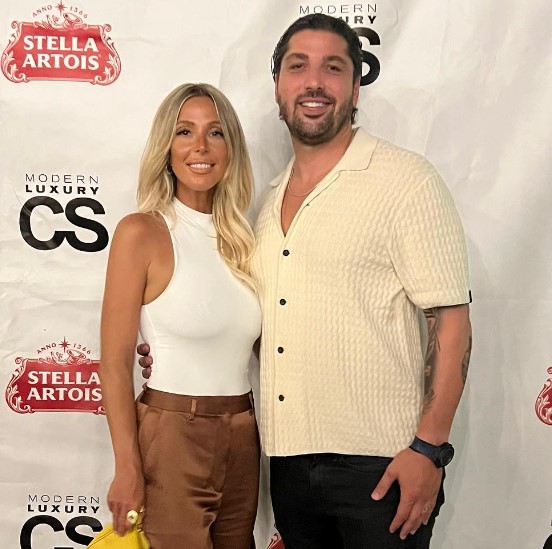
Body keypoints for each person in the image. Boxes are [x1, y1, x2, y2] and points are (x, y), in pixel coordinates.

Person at [140, 14, 472, 549]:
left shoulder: (406, 179)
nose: (314, 82)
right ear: (277, 85)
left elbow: (451, 320)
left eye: (333, 68)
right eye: (298, 67)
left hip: (384, 467)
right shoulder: (265, 205)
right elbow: (262, 325)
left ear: (356, 87)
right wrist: (180, 349)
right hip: (287, 466)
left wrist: (429, 449)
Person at [99, 83, 261, 549]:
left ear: (231, 147)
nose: (200, 147)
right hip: (172, 436)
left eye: (216, 132)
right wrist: (127, 466)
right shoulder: (141, 232)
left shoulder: (245, 240)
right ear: (166, 148)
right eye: (184, 132)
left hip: (244, 435)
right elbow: (114, 363)